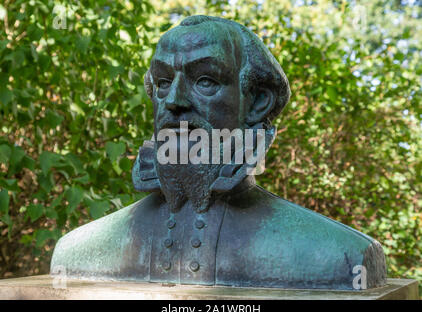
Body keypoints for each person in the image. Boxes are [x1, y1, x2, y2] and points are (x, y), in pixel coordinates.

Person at [51, 15, 386, 289]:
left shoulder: (340, 255)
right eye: (163, 83)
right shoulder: (77, 252)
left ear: (257, 101)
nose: (175, 100)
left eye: (206, 80)